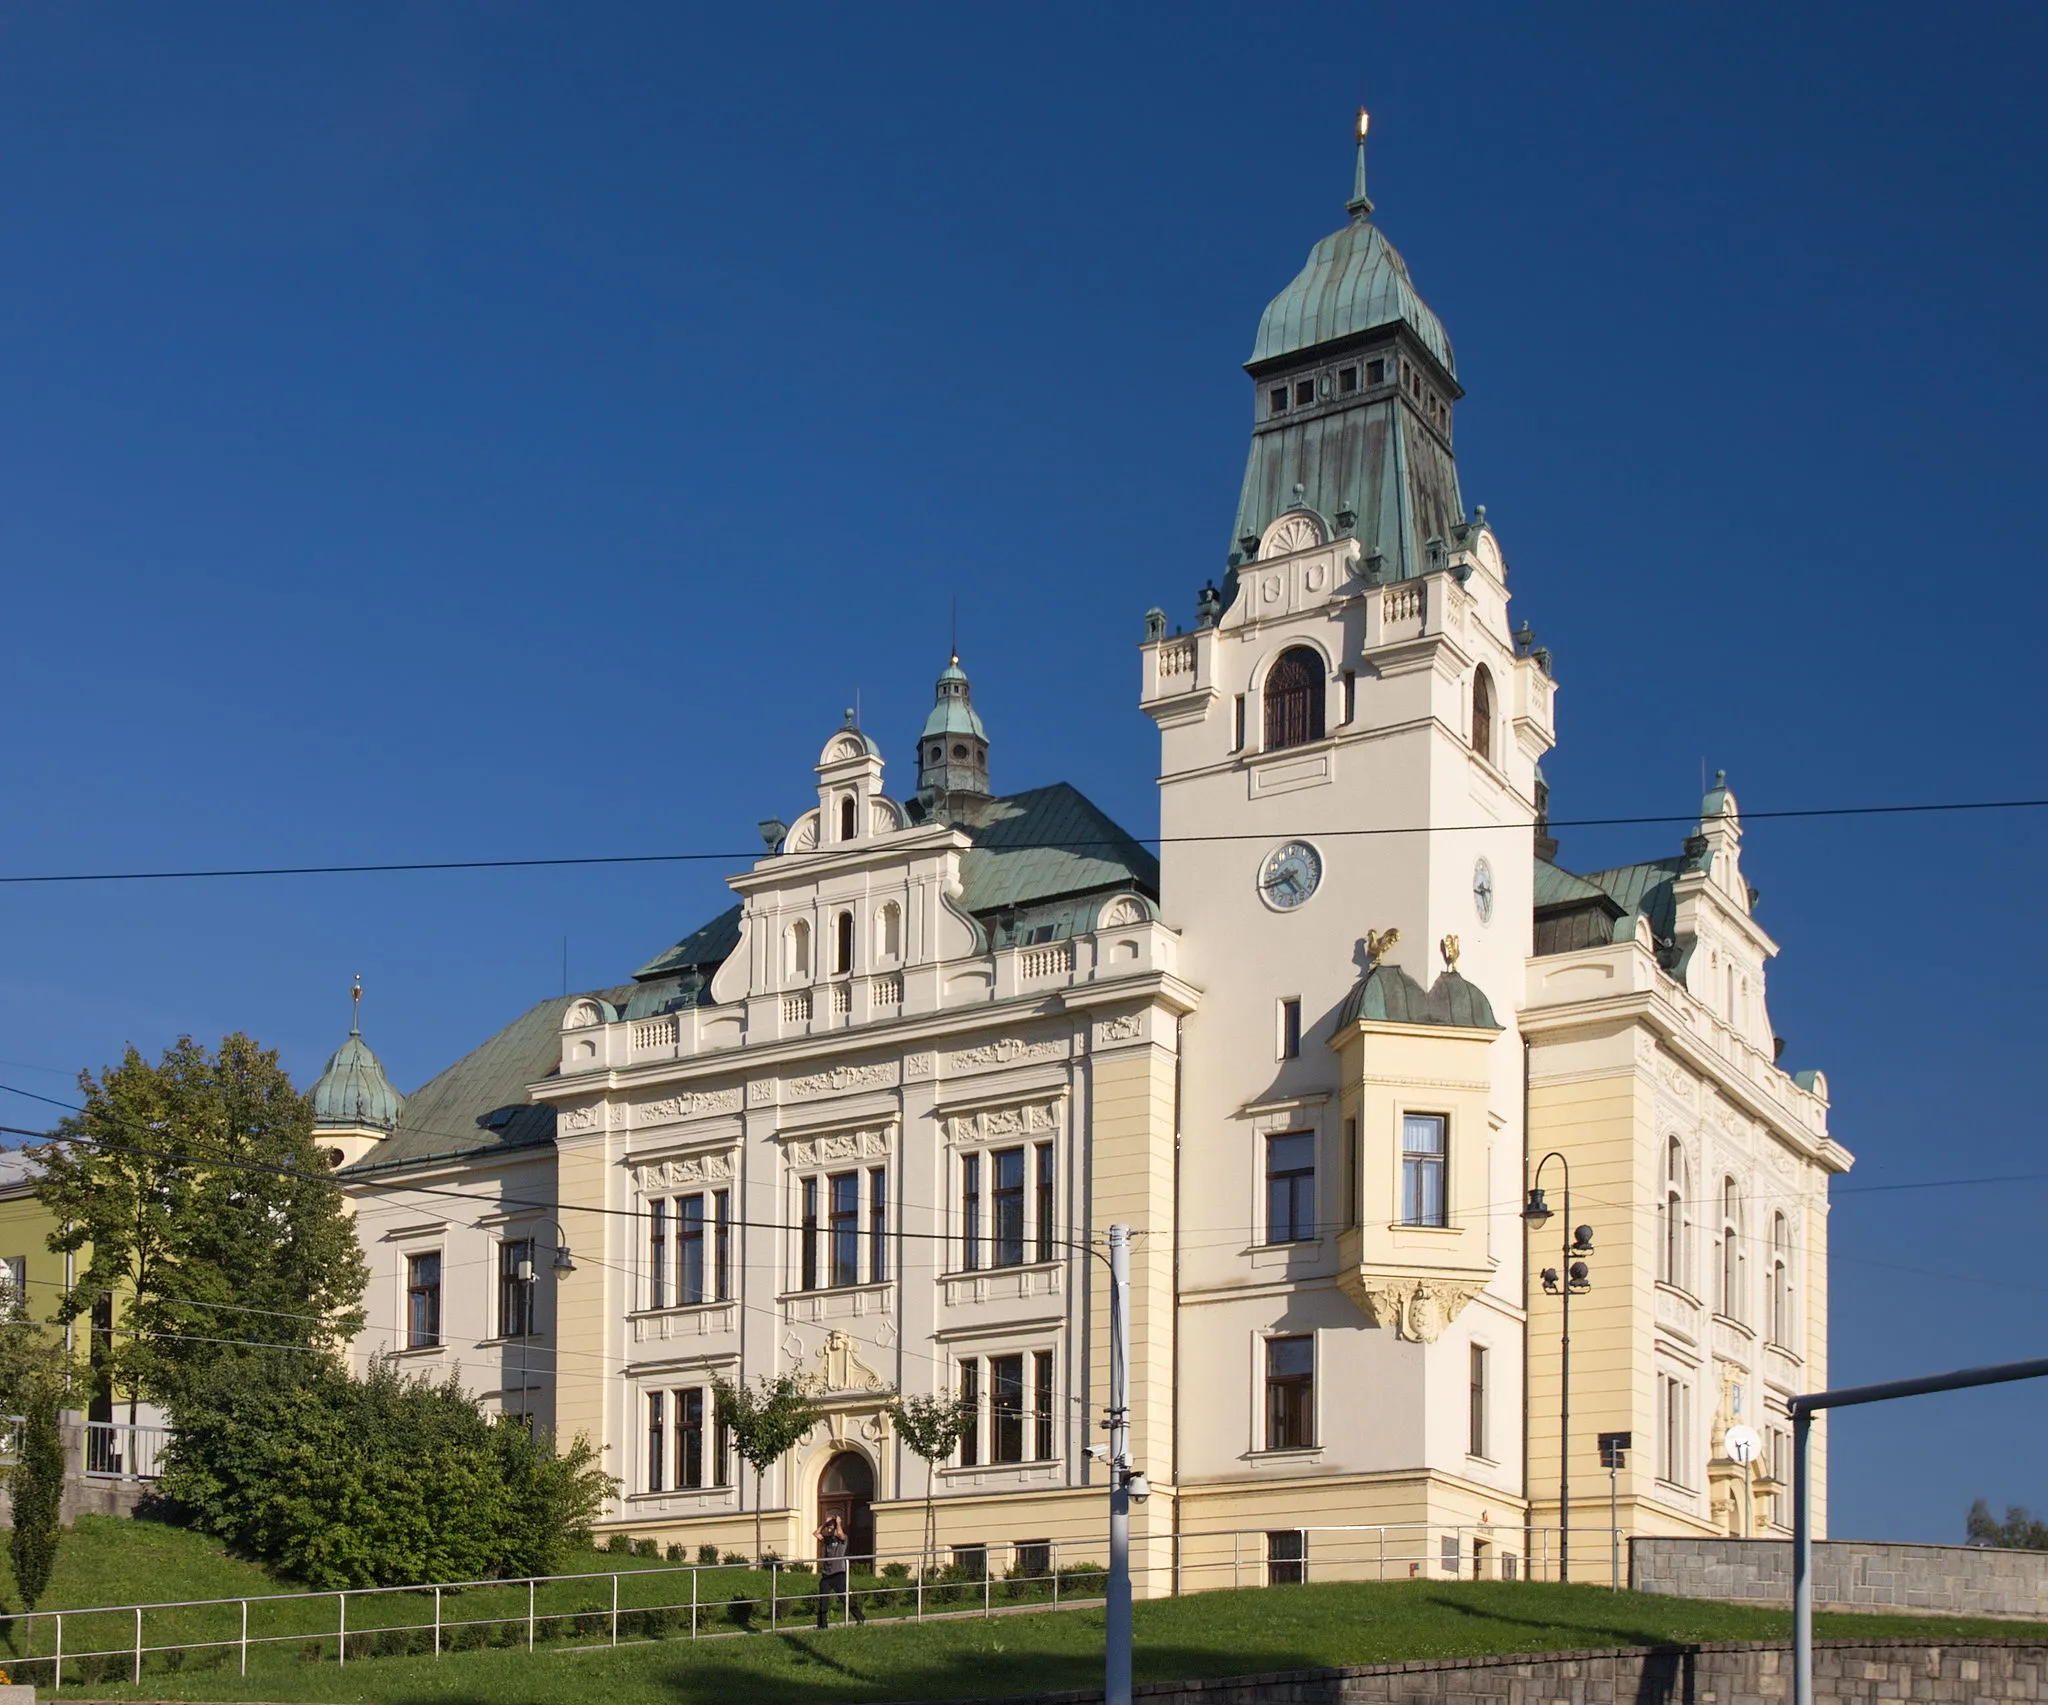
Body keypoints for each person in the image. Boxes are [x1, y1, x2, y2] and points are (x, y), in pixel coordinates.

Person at [814, 1514, 864, 1627]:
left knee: (844, 1598)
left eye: (832, 1527)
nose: (830, 1530)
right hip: (826, 1575)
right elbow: (816, 1534)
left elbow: (840, 1534)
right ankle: (822, 1625)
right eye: (829, 1528)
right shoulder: (827, 1540)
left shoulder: (842, 1539)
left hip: (838, 1574)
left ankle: (859, 1617)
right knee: (823, 1600)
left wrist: (838, 1523)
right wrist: (825, 1524)